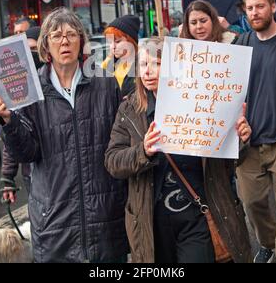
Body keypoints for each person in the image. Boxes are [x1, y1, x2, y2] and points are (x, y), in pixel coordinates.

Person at [0, 8, 128, 263]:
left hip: (106, 221)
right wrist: (8, 121)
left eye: (71, 35)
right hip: (54, 223)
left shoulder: (106, 83)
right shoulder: (30, 91)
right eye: (56, 36)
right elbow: (26, 153)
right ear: (45, 47)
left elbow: (120, 144)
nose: (64, 41)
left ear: (81, 42)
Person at [105, 37, 253, 263]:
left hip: (196, 215)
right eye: (143, 65)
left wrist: (240, 139)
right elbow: (113, 161)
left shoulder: (201, 100)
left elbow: (229, 162)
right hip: (151, 221)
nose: (148, 71)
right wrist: (142, 151)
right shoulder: (129, 109)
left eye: (157, 63)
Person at [235, 0, 276, 264]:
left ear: (273, 7)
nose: (255, 12)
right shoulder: (241, 45)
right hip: (249, 142)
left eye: (260, 6)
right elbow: (227, 89)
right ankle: (267, 244)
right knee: (252, 203)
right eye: (250, 8)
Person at [1, 26, 43, 202]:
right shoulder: (22, 89)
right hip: (31, 173)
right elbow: (13, 136)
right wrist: (8, 178)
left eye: (34, 50)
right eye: (27, 50)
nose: (31, 55)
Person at [102, 15, 140, 98]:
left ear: (131, 41)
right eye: (110, 42)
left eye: (117, 41)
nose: (113, 46)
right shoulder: (109, 64)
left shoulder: (144, 65)